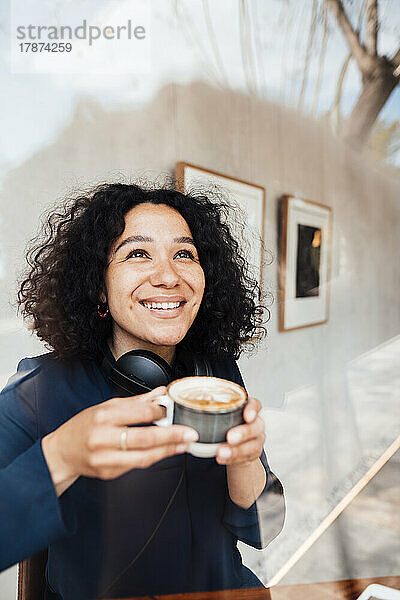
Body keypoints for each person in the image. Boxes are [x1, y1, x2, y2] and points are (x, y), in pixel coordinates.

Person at [0, 183, 285, 599]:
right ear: (99, 285)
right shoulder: (41, 389)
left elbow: (268, 527)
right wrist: (62, 455)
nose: (169, 276)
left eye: (184, 254)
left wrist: (244, 460)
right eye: (137, 253)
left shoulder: (215, 374)